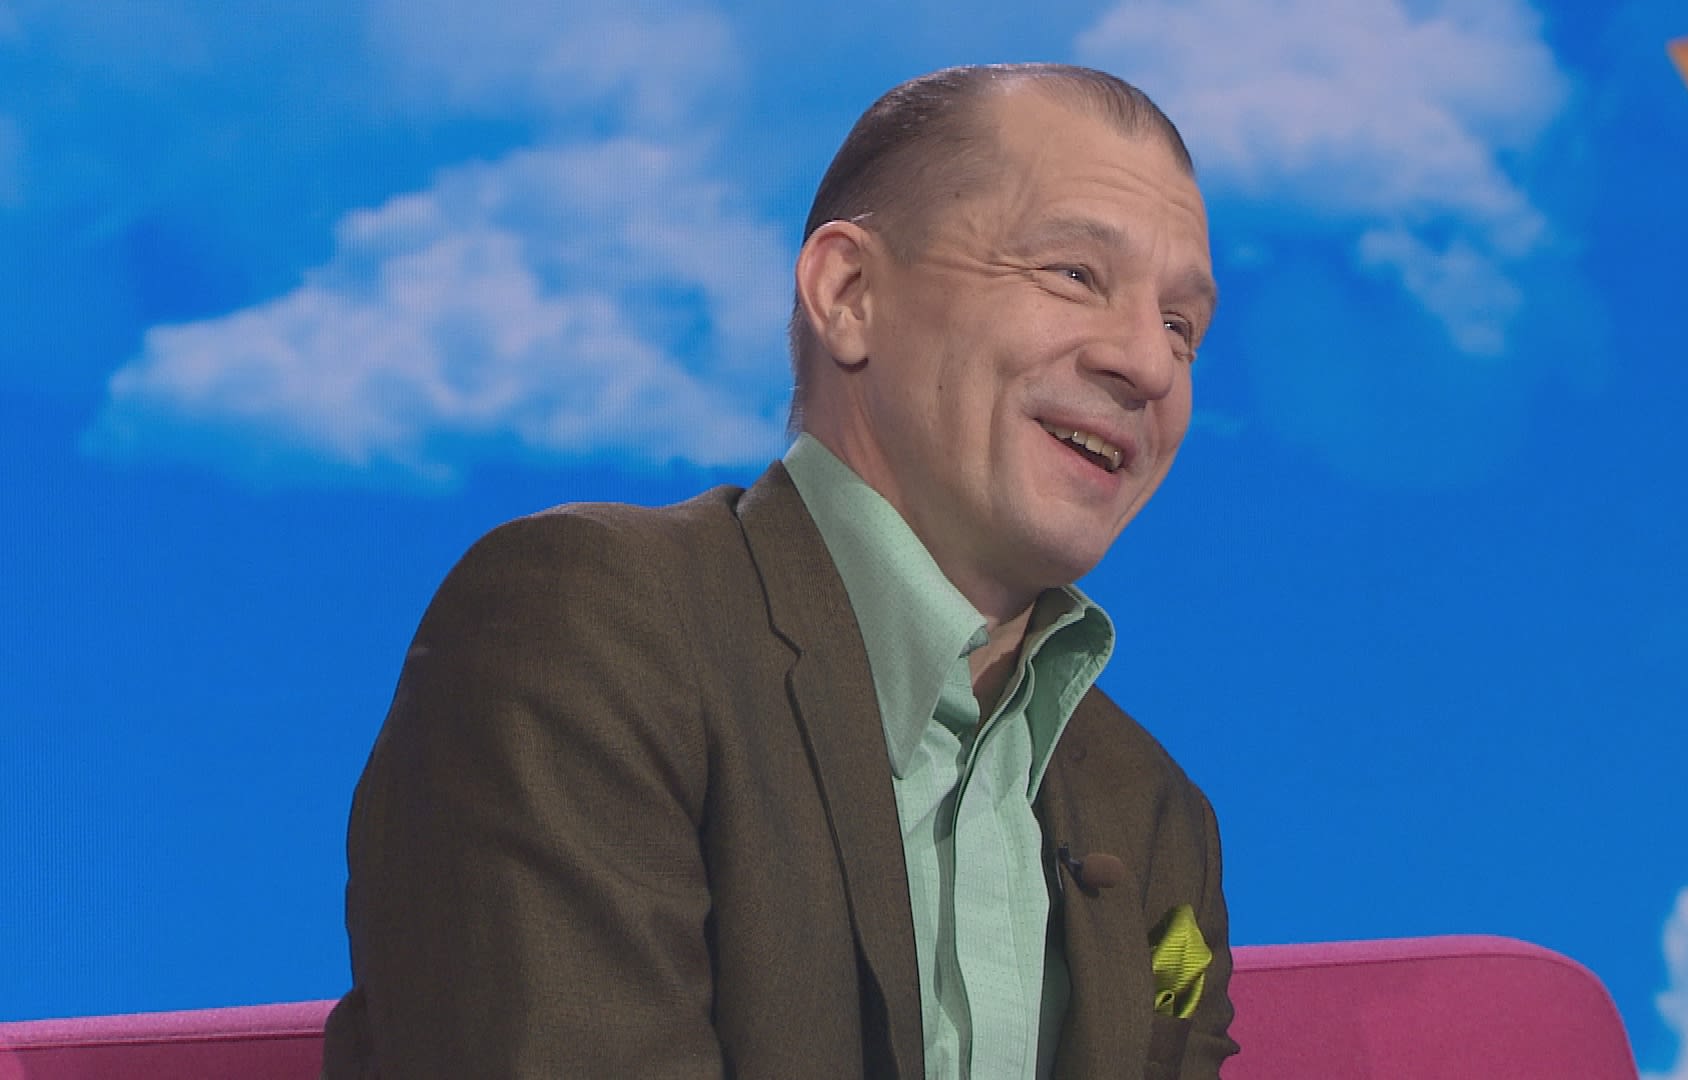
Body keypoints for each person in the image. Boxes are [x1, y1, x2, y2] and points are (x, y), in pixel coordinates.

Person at [321, 63, 1232, 1079]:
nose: (1149, 365)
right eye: (1073, 274)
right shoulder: (589, 632)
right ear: (849, 294)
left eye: (1181, 328)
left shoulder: (1152, 813)